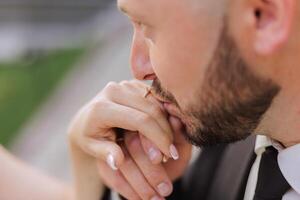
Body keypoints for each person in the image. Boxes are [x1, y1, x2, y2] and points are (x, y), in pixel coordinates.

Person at [67, 0, 300, 199]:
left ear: (265, 17)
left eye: (147, 26)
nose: (138, 68)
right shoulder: (234, 130)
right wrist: (97, 174)